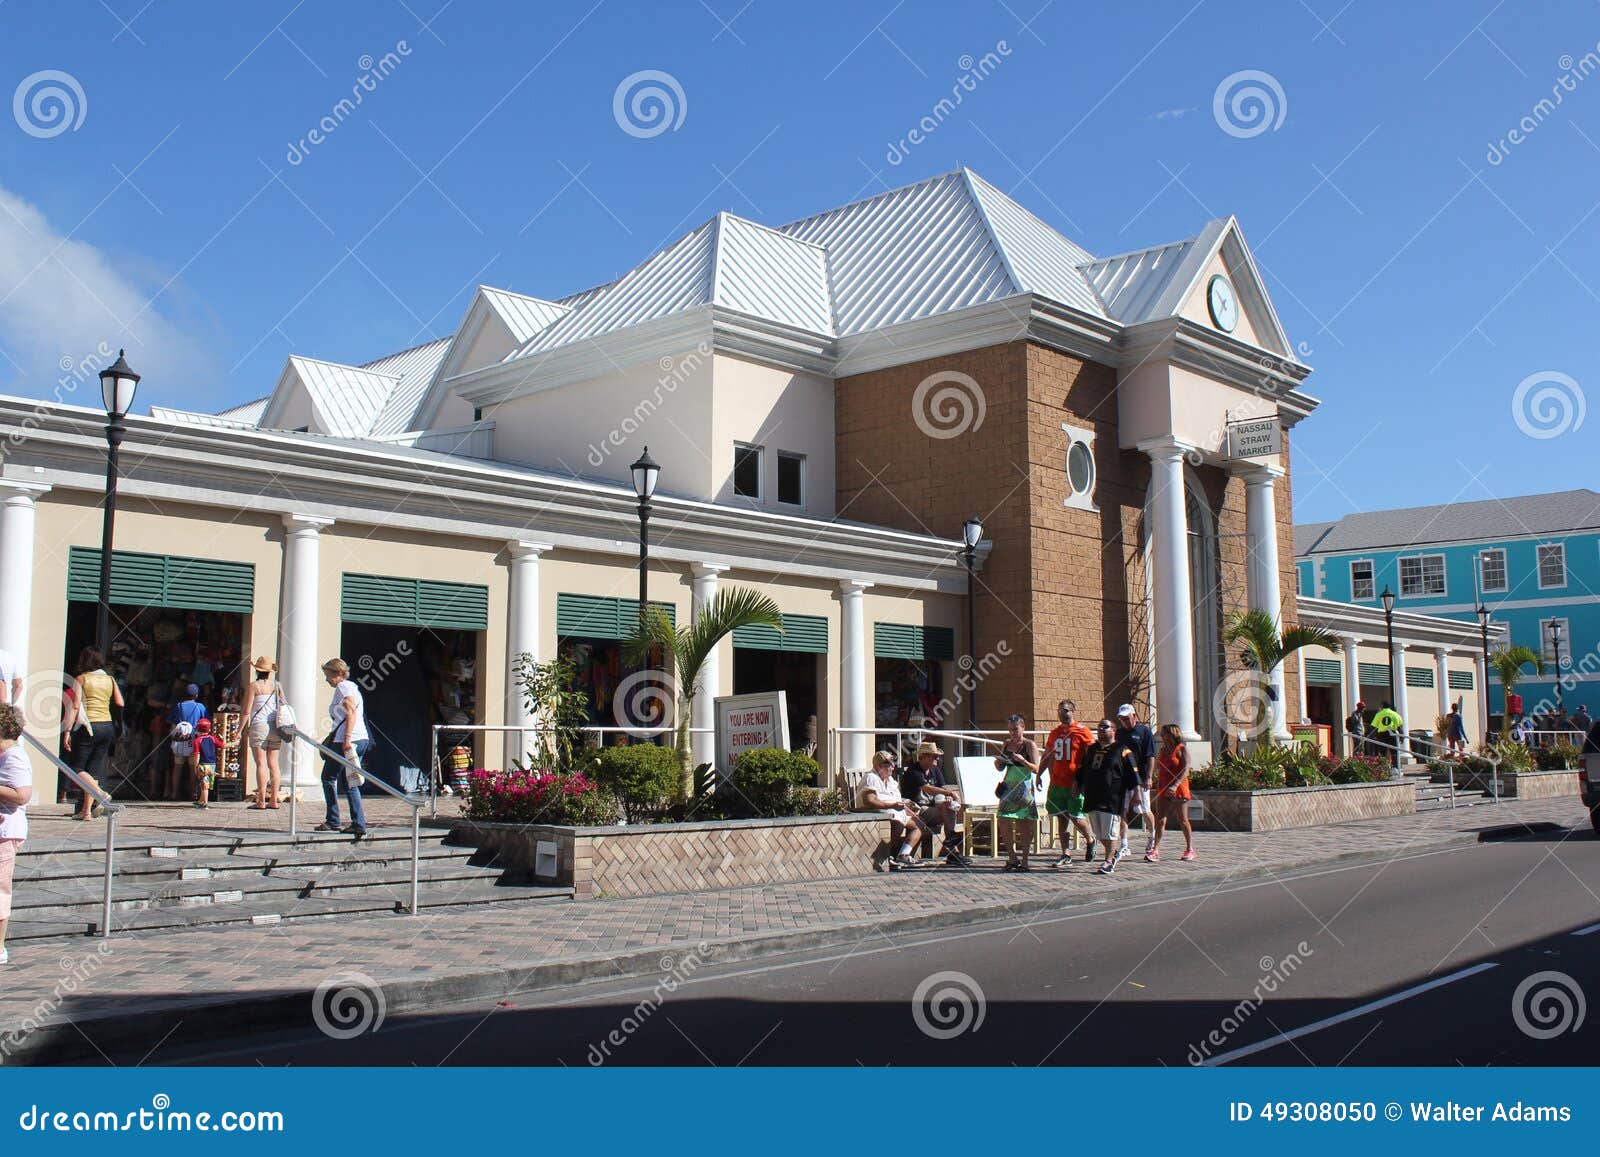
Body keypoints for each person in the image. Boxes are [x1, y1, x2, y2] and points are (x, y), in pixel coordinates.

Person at [64, 647, 121, 820]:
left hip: (89, 726)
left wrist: (67, 731)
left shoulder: (81, 679)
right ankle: (86, 811)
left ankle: (101, 794)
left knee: (75, 768)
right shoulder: (110, 679)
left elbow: (74, 706)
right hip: (107, 725)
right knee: (93, 770)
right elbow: (120, 702)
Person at [317, 659, 370, 838]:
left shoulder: (343, 688)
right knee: (350, 781)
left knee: (328, 777)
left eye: (328, 675)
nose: (327, 680)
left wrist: (347, 739)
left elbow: (351, 712)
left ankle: (335, 820)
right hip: (361, 738)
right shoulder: (353, 686)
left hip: (347, 740)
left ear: (336, 673)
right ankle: (357, 822)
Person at [1078, 720, 1139, 874]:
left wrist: (1136, 793)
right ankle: (1114, 853)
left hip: (1112, 796)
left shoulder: (1122, 750)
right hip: (1092, 795)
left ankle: (1108, 861)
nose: (1101, 729)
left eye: (1105, 727)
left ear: (1113, 730)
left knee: (1110, 830)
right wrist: (1077, 786)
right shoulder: (1092, 749)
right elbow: (1083, 768)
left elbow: (1133, 773)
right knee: (1099, 833)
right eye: (1099, 727)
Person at [1040, 699, 1095, 868]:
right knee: (1061, 818)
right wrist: (1040, 774)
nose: (1062, 713)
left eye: (1065, 710)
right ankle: (1066, 853)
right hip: (1057, 781)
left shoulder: (1082, 731)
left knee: (1076, 816)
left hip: (1074, 783)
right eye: (1059, 710)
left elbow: (1092, 754)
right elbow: (1048, 754)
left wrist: (1086, 778)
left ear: (1072, 712)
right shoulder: (1054, 732)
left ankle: (1091, 839)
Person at [899, 741, 968, 866]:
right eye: (934, 756)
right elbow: (928, 789)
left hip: (932, 809)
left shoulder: (935, 770)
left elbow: (941, 789)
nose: (938, 758)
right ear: (923, 757)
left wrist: (948, 798)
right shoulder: (914, 771)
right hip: (916, 809)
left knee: (949, 808)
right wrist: (948, 794)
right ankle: (952, 850)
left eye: (938, 756)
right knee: (948, 810)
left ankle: (951, 846)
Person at [0, 703, 31, 965]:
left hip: (4, 832)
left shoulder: (14, 756)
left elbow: (22, 795)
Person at [995, 714, 1041, 872]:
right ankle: (1012, 857)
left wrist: (1023, 761)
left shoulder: (1029, 745)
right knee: (1002, 819)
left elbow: (1036, 768)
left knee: (1024, 823)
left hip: (1023, 787)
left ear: (1023, 728)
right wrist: (998, 762)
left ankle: (1025, 860)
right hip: (1009, 786)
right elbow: (1000, 767)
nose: (1012, 733)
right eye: (1010, 730)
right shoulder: (1006, 743)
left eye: (1015, 729)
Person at [859, 750, 920, 869]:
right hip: (878, 811)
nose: (893, 767)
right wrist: (892, 806)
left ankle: (904, 854)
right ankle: (888, 855)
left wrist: (908, 809)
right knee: (897, 823)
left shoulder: (892, 781)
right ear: (878, 766)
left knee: (918, 824)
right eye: (889, 764)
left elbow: (897, 801)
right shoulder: (871, 777)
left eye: (893, 763)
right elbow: (869, 801)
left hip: (894, 812)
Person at [240, 655, 284, 809]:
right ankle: (273, 800)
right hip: (275, 726)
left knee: (261, 763)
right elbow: (283, 704)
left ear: (257, 671)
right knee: (274, 764)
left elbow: (246, 711)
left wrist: (240, 730)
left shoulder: (254, 686)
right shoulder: (277, 685)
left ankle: (261, 800)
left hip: (259, 726)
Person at [1115, 703, 1156, 859]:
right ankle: (1124, 844)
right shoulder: (1119, 734)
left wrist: (1149, 776)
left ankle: (1152, 838)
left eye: (1126, 718)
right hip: (1123, 778)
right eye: (1121, 719)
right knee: (1122, 811)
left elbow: (1150, 755)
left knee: (1145, 810)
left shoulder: (1144, 732)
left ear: (1134, 716)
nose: (1124, 721)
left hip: (1140, 777)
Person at [1150, 723, 1195, 862]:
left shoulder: (1182, 749)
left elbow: (1186, 769)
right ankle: (1155, 849)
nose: (1162, 737)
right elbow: (1159, 767)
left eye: (1164, 734)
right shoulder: (1163, 750)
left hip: (1179, 788)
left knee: (1182, 819)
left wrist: (1175, 785)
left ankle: (1189, 848)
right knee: (1160, 820)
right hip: (1163, 787)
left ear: (1172, 734)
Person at [164, 683, 208, 802]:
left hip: (179, 741)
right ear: (196, 695)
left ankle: (174, 793)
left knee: (177, 767)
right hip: (194, 741)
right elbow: (205, 723)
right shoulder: (200, 707)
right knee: (193, 768)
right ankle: (193, 793)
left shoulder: (178, 706)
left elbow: (170, 721)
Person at [192, 718, 217, 810]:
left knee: (204, 786)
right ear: (209, 729)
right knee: (206, 784)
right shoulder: (212, 738)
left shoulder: (197, 740)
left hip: (203, 765)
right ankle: (200, 801)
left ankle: (205, 804)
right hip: (212, 765)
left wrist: (195, 766)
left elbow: (197, 755)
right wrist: (234, 743)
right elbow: (223, 745)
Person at [1370, 701, 1403, 767]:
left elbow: (1374, 726)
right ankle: (1395, 767)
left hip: (1382, 734)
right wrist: (1402, 736)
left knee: (1382, 752)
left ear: (1382, 706)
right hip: (1393, 734)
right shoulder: (1395, 714)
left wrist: (1373, 736)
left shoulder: (1379, 714)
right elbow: (1399, 727)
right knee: (1394, 752)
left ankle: (1383, 767)